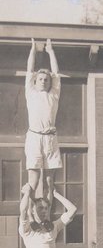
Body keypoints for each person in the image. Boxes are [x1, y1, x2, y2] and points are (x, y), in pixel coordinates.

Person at [25, 38, 62, 205]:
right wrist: (33, 50)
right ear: (35, 81)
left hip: (50, 138)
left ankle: (46, 217)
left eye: (46, 79)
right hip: (34, 137)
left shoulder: (53, 94)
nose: (43, 81)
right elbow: (29, 70)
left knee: (49, 182)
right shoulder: (31, 92)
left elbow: (55, 73)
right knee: (33, 181)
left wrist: (51, 51)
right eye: (40, 79)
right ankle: (31, 215)